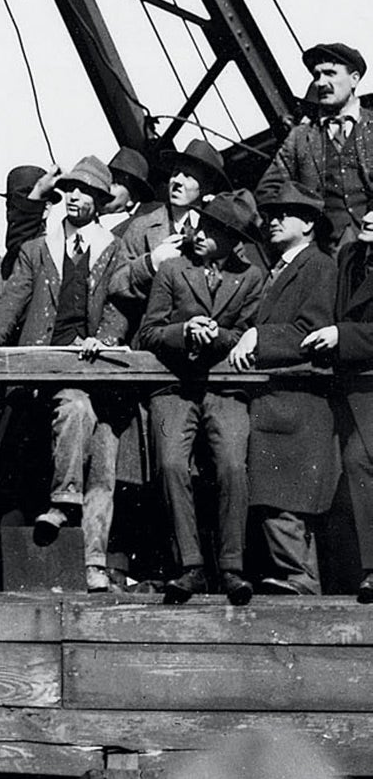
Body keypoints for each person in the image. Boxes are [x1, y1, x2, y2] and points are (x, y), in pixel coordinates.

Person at [0, 156, 129, 591]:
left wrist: (107, 338)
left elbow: (120, 303)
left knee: (104, 457)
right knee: (75, 409)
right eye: (71, 190)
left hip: (98, 369)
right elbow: (12, 303)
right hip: (47, 375)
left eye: (87, 193)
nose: (76, 197)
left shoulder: (115, 250)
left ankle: (95, 562)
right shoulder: (38, 249)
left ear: (100, 202)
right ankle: (62, 501)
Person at [139, 191, 264, 603]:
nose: (200, 233)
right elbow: (150, 332)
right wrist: (185, 331)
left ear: (232, 240)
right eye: (201, 225)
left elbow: (247, 332)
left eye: (211, 230)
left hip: (223, 388)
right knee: (172, 464)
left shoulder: (250, 278)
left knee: (232, 465)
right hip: (175, 387)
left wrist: (219, 336)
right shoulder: (173, 270)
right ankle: (189, 567)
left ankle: (231, 570)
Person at [229, 183, 338, 594]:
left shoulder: (318, 267)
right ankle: (300, 580)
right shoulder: (283, 267)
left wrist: (260, 336)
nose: (273, 220)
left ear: (309, 223)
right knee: (281, 498)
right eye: (271, 214)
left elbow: (311, 330)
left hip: (296, 402)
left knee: (285, 500)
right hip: (280, 403)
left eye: (285, 214)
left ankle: (301, 580)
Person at [303, 207, 373, 599]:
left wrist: (342, 335)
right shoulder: (348, 256)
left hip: (370, 386)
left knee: (360, 461)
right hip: (344, 385)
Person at [256, 41, 373, 249]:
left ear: (354, 79)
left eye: (330, 73)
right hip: (323, 253)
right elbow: (268, 189)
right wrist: (301, 217)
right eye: (316, 76)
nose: (320, 83)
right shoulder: (300, 137)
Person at [108, 140, 228, 339]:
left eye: (188, 176)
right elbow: (115, 285)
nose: (177, 181)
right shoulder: (141, 226)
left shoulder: (222, 232)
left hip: (208, 342)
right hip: (154, 344)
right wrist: (151, 263)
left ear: (206, 187)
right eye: (175, 174)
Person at [0, 165, 60, 333]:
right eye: (11, 205)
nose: (15, 214)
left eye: (26, 205)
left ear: (46, 209)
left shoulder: (60, 259)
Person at [102, 147, 154, 233]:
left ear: (132, 199)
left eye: (116, 182)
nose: (106, 187)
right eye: (106, 179)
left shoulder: (130, 233)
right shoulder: (84, 219)